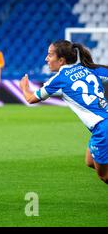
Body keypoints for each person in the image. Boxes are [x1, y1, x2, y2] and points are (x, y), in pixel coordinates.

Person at [19, 40, 108, 184]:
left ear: (61, 60)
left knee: (104, 176)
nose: (46, 59)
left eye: (49, 55)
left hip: (102, 127)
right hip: (103, 124)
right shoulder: (89, 68)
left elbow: (30, 99)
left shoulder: (59, 79)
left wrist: (24, 87)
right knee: (90, 161)